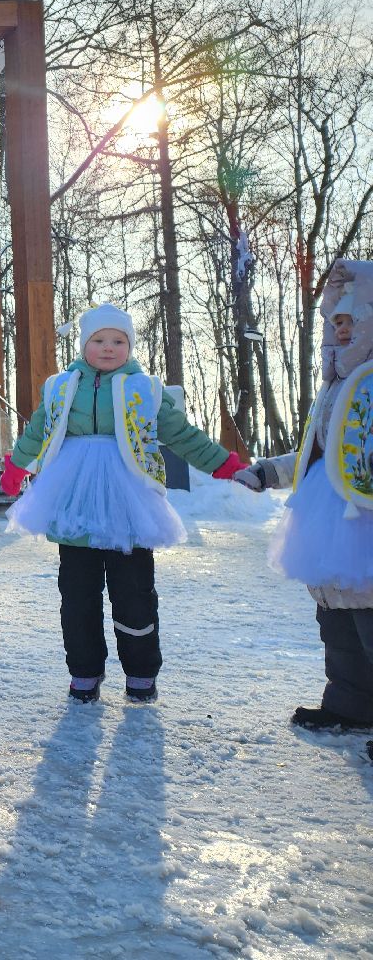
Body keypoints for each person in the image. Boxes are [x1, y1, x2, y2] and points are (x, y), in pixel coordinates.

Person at [1, 304, 247, 704]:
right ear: (84, 345)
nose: (108, 348)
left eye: (118, 341)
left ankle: (141, 671)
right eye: (99, 340)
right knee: (77, 593)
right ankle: (83, 670)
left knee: (133, 592)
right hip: (74, 499)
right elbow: (37, 431)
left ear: (130, 346)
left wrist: (222, 464)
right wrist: (17, 464)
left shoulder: (144, 389)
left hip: (128, 501)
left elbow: (181, 435)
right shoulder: (61, 387)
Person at [234, 260, 373, 759]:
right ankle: (351, 703)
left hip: (365, 518)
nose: (341, 332)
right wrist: (271, 471)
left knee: (370, 619)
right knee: (336, 617)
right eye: (335, 323)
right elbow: (318, 450)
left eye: (351, 323)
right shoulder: (333, 389)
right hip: (328, 515)